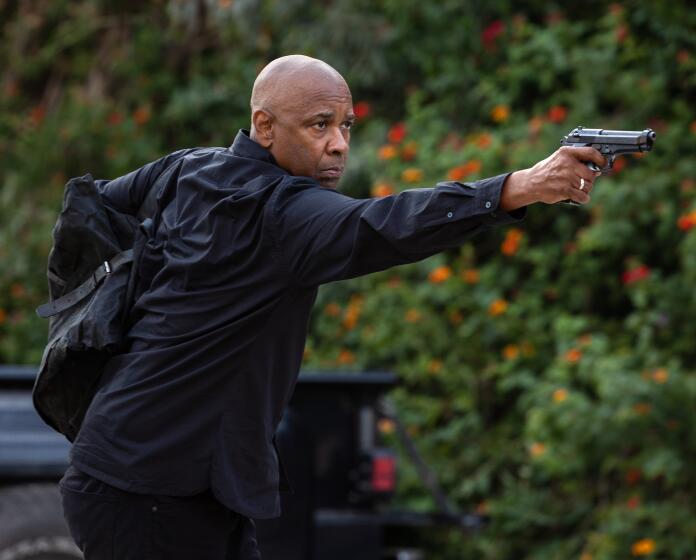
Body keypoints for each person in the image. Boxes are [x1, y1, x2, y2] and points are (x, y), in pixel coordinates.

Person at [58, 54, 605, 559]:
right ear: (265, 125)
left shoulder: (187, 169)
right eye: (320, 125)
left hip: (175, 483)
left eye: (346, 126)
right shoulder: (285, 214)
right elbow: (387, 225)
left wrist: (132, 295)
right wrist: (517, 187)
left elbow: (94, 205)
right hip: (146, 492)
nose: (340, 144)